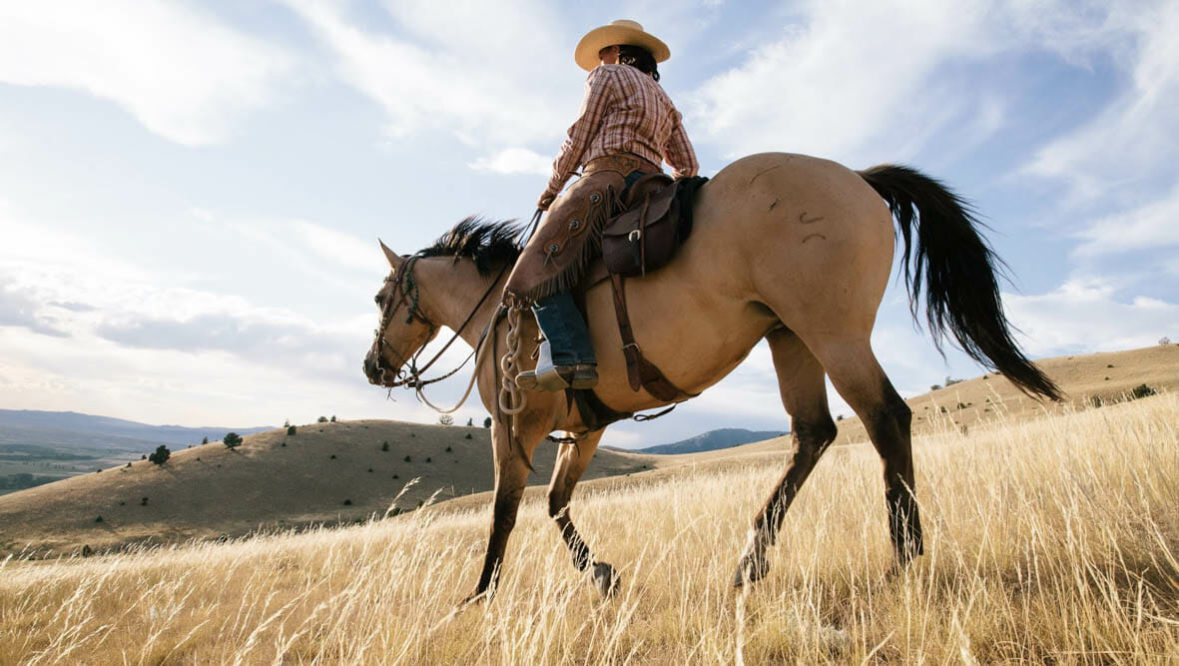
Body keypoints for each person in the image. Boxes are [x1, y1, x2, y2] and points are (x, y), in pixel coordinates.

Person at [505, 19, 699, 392]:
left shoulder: (605, 77)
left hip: (606, 180)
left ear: (615, 52)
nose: (600, 58)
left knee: (535, 266)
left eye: (603, 51)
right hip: (652, 188)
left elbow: (580, 135)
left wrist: (552, 187)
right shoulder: (666, 101)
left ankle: (570, 354)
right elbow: (688, 165)